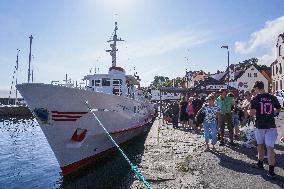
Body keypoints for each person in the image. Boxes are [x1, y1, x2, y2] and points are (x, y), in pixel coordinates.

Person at [249, 81, 281, 178]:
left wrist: (248, 111)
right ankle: (271, 171)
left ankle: (260, 163)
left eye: (255, 89)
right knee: (270, 147)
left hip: (260, 125)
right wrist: (273, 114)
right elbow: (279, 109)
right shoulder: (272, 97)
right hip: (271, 125)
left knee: (260, 145)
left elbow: (251, 113)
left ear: (257, 88)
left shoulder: (255, 98)